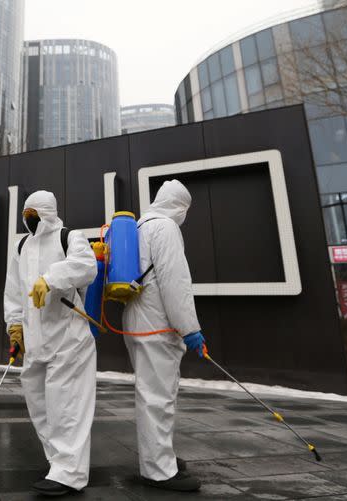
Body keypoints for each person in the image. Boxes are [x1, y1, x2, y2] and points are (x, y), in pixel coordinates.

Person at [3, 190, 98, 497]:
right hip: (35, 342)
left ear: (47, 212)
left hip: (68, 340)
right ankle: (58, 462)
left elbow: (87, 267)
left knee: (65, 406)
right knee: (40, 405)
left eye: (34, 213)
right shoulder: (21, 244)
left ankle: (70, 473)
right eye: (25, 213)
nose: (28, 218)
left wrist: (51, 278)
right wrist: (15, 325)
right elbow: (14, 290)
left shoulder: (69, 237)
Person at [122, 179, 206, 492]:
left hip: (136, 322)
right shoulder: (167, 228)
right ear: (180, 206)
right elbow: (175, 283)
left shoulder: (140, 226)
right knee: (158, 398)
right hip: (157, 325)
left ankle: (159, 457)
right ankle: (158, 470)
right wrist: (190, 328)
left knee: (150, 394)